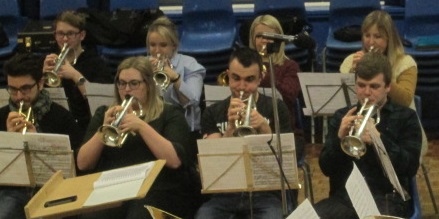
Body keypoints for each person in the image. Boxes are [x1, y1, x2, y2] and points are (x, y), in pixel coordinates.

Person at [76, 56, 201, 219]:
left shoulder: (169, 113)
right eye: (122, 83)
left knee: (139, 215)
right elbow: (83, 164)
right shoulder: (104, 114)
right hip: (114, 191)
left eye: (134, 83)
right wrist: (102, 130)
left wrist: (141, 127)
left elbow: (175, 160)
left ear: (148, 85)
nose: (127, 90)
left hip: (158, 190)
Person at [315, 52, 422, 218]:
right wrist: (339, 139)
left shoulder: (406, 117)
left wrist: (378, 140)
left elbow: (410, 167)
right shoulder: (341, 117)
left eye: (374, 86)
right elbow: (326, 169)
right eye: (361, 85)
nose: (366, 92)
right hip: (344, 199)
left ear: (388, 87)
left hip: (387, 199)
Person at [195, 47, 293, 219]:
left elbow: (287, 161)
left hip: (266, 193)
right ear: (228, 76)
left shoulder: (277, 108)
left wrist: (264, 128)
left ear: (260, 78)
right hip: (226, 193)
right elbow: (214, 165)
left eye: (249, 80)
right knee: (204, 216)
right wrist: (231, 128)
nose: (242, 87)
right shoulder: (212, 112)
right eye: (236, 78)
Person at [0, 53, 81, 219]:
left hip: (53, 190)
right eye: (13, 90)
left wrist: (37, 140)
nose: (19, 97)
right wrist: (9, 141)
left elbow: (78, 166)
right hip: (11, 190)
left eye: (25, 88)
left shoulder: (61, 117)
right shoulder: (2, 116)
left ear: (41, 83)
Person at [339, 10, 428, 161]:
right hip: (358, 132)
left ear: (389, 39)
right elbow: (344, 102)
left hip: (400, 132)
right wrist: (355, 72)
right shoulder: (350, 62)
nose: (371, 42)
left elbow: (405, 99)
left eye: (378, 36)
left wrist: (380, 73)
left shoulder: (406, 63)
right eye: (367, 36)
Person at [42, 10, 113, 138]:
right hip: (56, 123)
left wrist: (75, 76)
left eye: (70, 34)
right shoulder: (49, 61)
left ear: (82, 35)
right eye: (60, 34)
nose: (64, 39)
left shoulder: (96, 63)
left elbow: (102, 103)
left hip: (86, 125)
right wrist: (41, 76)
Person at [146, 16, 206, 161]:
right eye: (152, 45)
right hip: (152, 131)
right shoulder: (143, 66)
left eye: (163, 45)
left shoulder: (190, 64)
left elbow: (192, 101)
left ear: (174, 45)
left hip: (185, 133)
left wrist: (175, 78)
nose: (157, 51)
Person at [248, 14, 305, 160]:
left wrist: (265, 74)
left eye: (269, 36)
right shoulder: (245, 65)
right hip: (250, 130)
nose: (264, 40)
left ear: (279, 40)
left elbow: (289, 97)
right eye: (260, 36)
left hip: (283, 130)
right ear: (252, 39)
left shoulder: (290, 66)